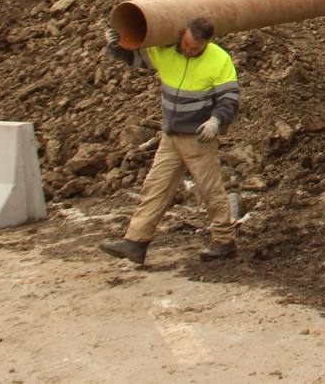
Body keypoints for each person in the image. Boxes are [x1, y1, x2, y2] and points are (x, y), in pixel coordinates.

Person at [98, 17, 240, 265]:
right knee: (156, 186)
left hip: (199, 137)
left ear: (207, 43)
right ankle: (136, 242)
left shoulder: (219, 59)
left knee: (210, 190)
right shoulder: (165, 50)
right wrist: (116, 47)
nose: (188, 50)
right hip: (171, 135)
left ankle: (224, 241)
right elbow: (136, 59)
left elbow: (230, 97)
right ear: (183, 35)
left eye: (195, 48)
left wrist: (216, 120)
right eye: (186, 44)